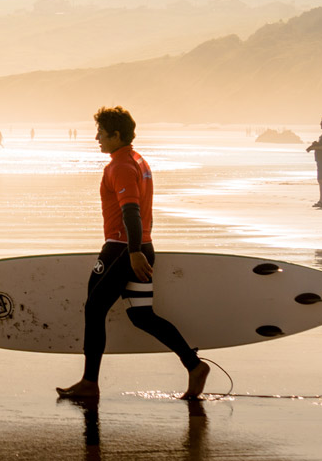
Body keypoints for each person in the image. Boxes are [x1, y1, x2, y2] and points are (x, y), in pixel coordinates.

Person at [56, 106, 210, 399]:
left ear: (116, 135)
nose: (96, 137)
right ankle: (194, 365)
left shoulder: (122, 167)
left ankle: (89, 383)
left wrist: (134, 252)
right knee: (141, 316)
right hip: (139, 248)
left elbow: (131, 212)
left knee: (94, 307)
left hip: (122, 249)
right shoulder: (137, 161)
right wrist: (141, 250)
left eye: (101, 132)